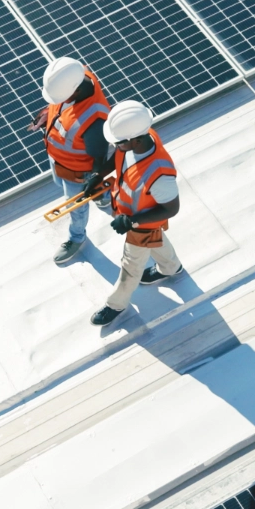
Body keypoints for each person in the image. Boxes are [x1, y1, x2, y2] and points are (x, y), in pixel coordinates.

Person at [86, 100, 183, 327]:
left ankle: (116, 304)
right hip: (130, 213)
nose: (116, 146)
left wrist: (132, 221)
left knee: (131, 266)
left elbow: (171, 208)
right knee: (157, 240)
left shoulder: (160, 174)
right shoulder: (138, 137)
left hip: (140, 222)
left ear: (135, 139)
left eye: (119, 142)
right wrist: (98, 175)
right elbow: (119, 157)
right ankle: (171, 268)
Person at [34, 57, 109, 265]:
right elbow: (61, 109)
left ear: (74, 91)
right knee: (60, 183)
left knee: (76, 208)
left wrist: (93, 180)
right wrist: (46, 114)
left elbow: (99, 158)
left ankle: (77, 238)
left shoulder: (94, 120)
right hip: (59, 161)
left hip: (77, 173)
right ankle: (103, 196)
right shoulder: (73, 75)